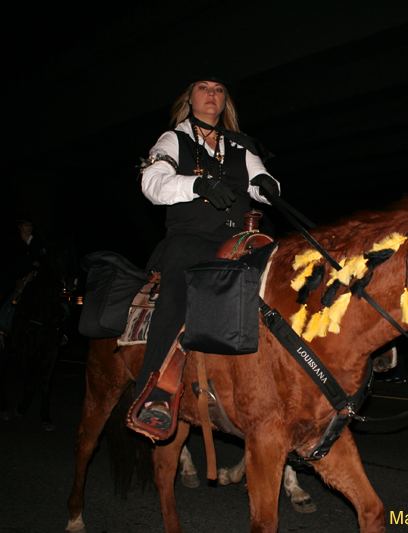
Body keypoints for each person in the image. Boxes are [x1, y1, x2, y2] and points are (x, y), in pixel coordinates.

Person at [134, 74, 280, 432]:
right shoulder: (174, 139)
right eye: (203, 88)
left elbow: (264, 183)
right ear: (190, 99)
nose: (211, 94)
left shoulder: (241, 145)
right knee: (176, 301)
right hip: (192, 237)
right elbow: (152, 183)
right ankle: (156, 394)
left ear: (224, 101)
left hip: (242, 237)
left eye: (218, 90)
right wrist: (196, 184)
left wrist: (266, 186)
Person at [0, 219, 46, 351]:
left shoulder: (39, 241)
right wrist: (27, 268)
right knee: (15, 295)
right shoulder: (12, 241)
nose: (29, 227)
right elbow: (9, 260)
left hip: (38, 276)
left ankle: (59, 330)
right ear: (19, 226)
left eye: (31, 224)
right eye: (26, 224)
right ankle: (1, 332)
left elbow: (44, 258)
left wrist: (38, 265)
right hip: (17, 276)